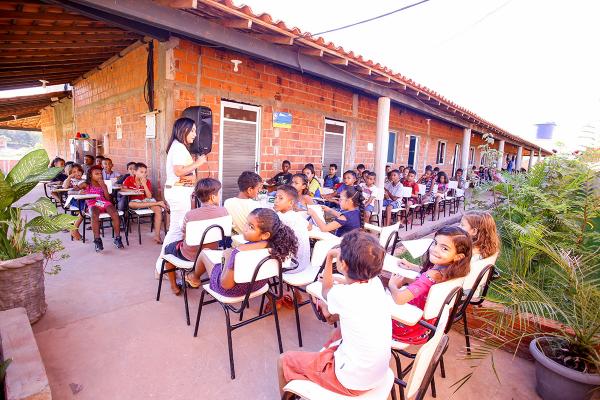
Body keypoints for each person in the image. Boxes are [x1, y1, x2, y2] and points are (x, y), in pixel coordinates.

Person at [278, 230, 391, 397]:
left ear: (343, 264)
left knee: (283, 360)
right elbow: (352, 285)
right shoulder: (376, 283)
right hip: (378, 373)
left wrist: (329, 258)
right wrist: (340, 279)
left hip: (351, 381)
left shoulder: (343, 295)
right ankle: (318, 365)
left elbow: (325, 292)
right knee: (336, 332)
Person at [185, 208, 298, 298]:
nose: (245, 228)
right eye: (246, 223)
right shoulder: (278, 248)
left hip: (230, 291)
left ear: (265, 234)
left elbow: (226, 285)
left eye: (251, 227)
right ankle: (194, 276)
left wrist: (228, 256)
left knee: (205, 253)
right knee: (218, 256)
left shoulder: (239, 252)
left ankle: (194, 277)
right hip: (257, 285)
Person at [389, 226, 472, 343]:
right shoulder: (450, 270)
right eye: (435, 243)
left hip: (407, 325)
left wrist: (393, 284)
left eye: (444, 248)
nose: (435, 249)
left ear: (458, 256)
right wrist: (412, 266)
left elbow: (399, 299)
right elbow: (427, 279)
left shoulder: (434, 274)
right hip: (427, 327)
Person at [155, 117, 207, 275]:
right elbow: (178, 171)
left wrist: (191, 178)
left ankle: (166, 266)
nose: (195, 134)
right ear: (183, 130)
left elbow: (181, 174)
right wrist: (198, 163)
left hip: (179, 192)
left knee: (176, 230)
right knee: (176, 231)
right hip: (177, 194)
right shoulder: (178, 148)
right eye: (192, 130)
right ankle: (162, 267)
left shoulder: (179, 147)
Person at [161, 178, 228, 295]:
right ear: (213, 197)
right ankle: (193, 275)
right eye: (219, 193)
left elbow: (184, 232)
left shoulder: (190, 215)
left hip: (190, 256)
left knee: (168, 248)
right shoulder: (224, 212)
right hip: (212, 252)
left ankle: (174, 287)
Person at [78, 165, 125, 252]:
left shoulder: (103, 184)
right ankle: (97, 240)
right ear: (91, 175)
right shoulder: (86, 184)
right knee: (94, 214)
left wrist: (104, 187)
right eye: (96, 174)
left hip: (103, 202)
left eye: (100, 174)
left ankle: (117, 238)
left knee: (115, 213)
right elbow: (71, 190)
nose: (99, 175)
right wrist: (79, 192)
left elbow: (108, 199)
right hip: (92, 202)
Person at [122, 162, 169, 244]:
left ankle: (157, 236)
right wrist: (133, 190)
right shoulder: (129, 179)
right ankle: (158, 203)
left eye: (145, 172)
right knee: (131, 204)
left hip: (146, 200)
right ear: (135, 172)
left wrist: (144, 184)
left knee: (158, 210)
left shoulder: (147, 182)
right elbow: (123, 189)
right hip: (135, 201)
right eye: (141, 172)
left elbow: (149, 196)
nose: (144, 174)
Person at [273, 185, 311, 274]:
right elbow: (309, 226)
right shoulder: (295, 215)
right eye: (275, 197)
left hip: (291, 265)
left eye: (280, 198)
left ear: (291, 203)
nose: (276, 201)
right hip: (304, 263)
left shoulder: (282, 218)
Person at [62, 163, 86, 241]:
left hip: (84, 199)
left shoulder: (84, 180)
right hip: (73, 199)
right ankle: (74, 229)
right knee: (84, 209)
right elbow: (66, 189)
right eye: (74, 172)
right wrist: (69, 178)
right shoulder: (70, 181)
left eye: (79, 171)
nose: (77, 173)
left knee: (89, 206)